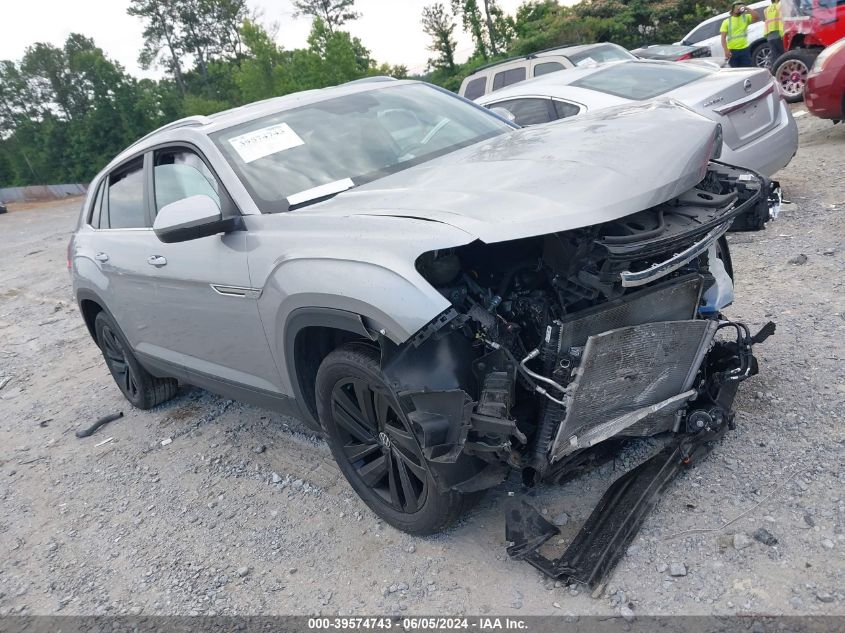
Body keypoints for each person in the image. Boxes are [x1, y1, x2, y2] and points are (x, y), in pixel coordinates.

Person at [720, 1, 761, 68]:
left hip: (745, 49)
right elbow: (723, 38)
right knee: (736, 71)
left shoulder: (745, 17)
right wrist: (726, 50)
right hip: (732, 51)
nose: (739, 8)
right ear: (733, 9)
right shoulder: (726, 22)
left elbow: (756, 17)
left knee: (748, 69)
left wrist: (746, 8)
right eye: (737, 6)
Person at [764, 0, 785, 65]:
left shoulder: (766, 9)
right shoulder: (780, 6)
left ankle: (774, 70)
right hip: (779, 34)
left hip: (770, 36)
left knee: (775, 55)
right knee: (784, 55)